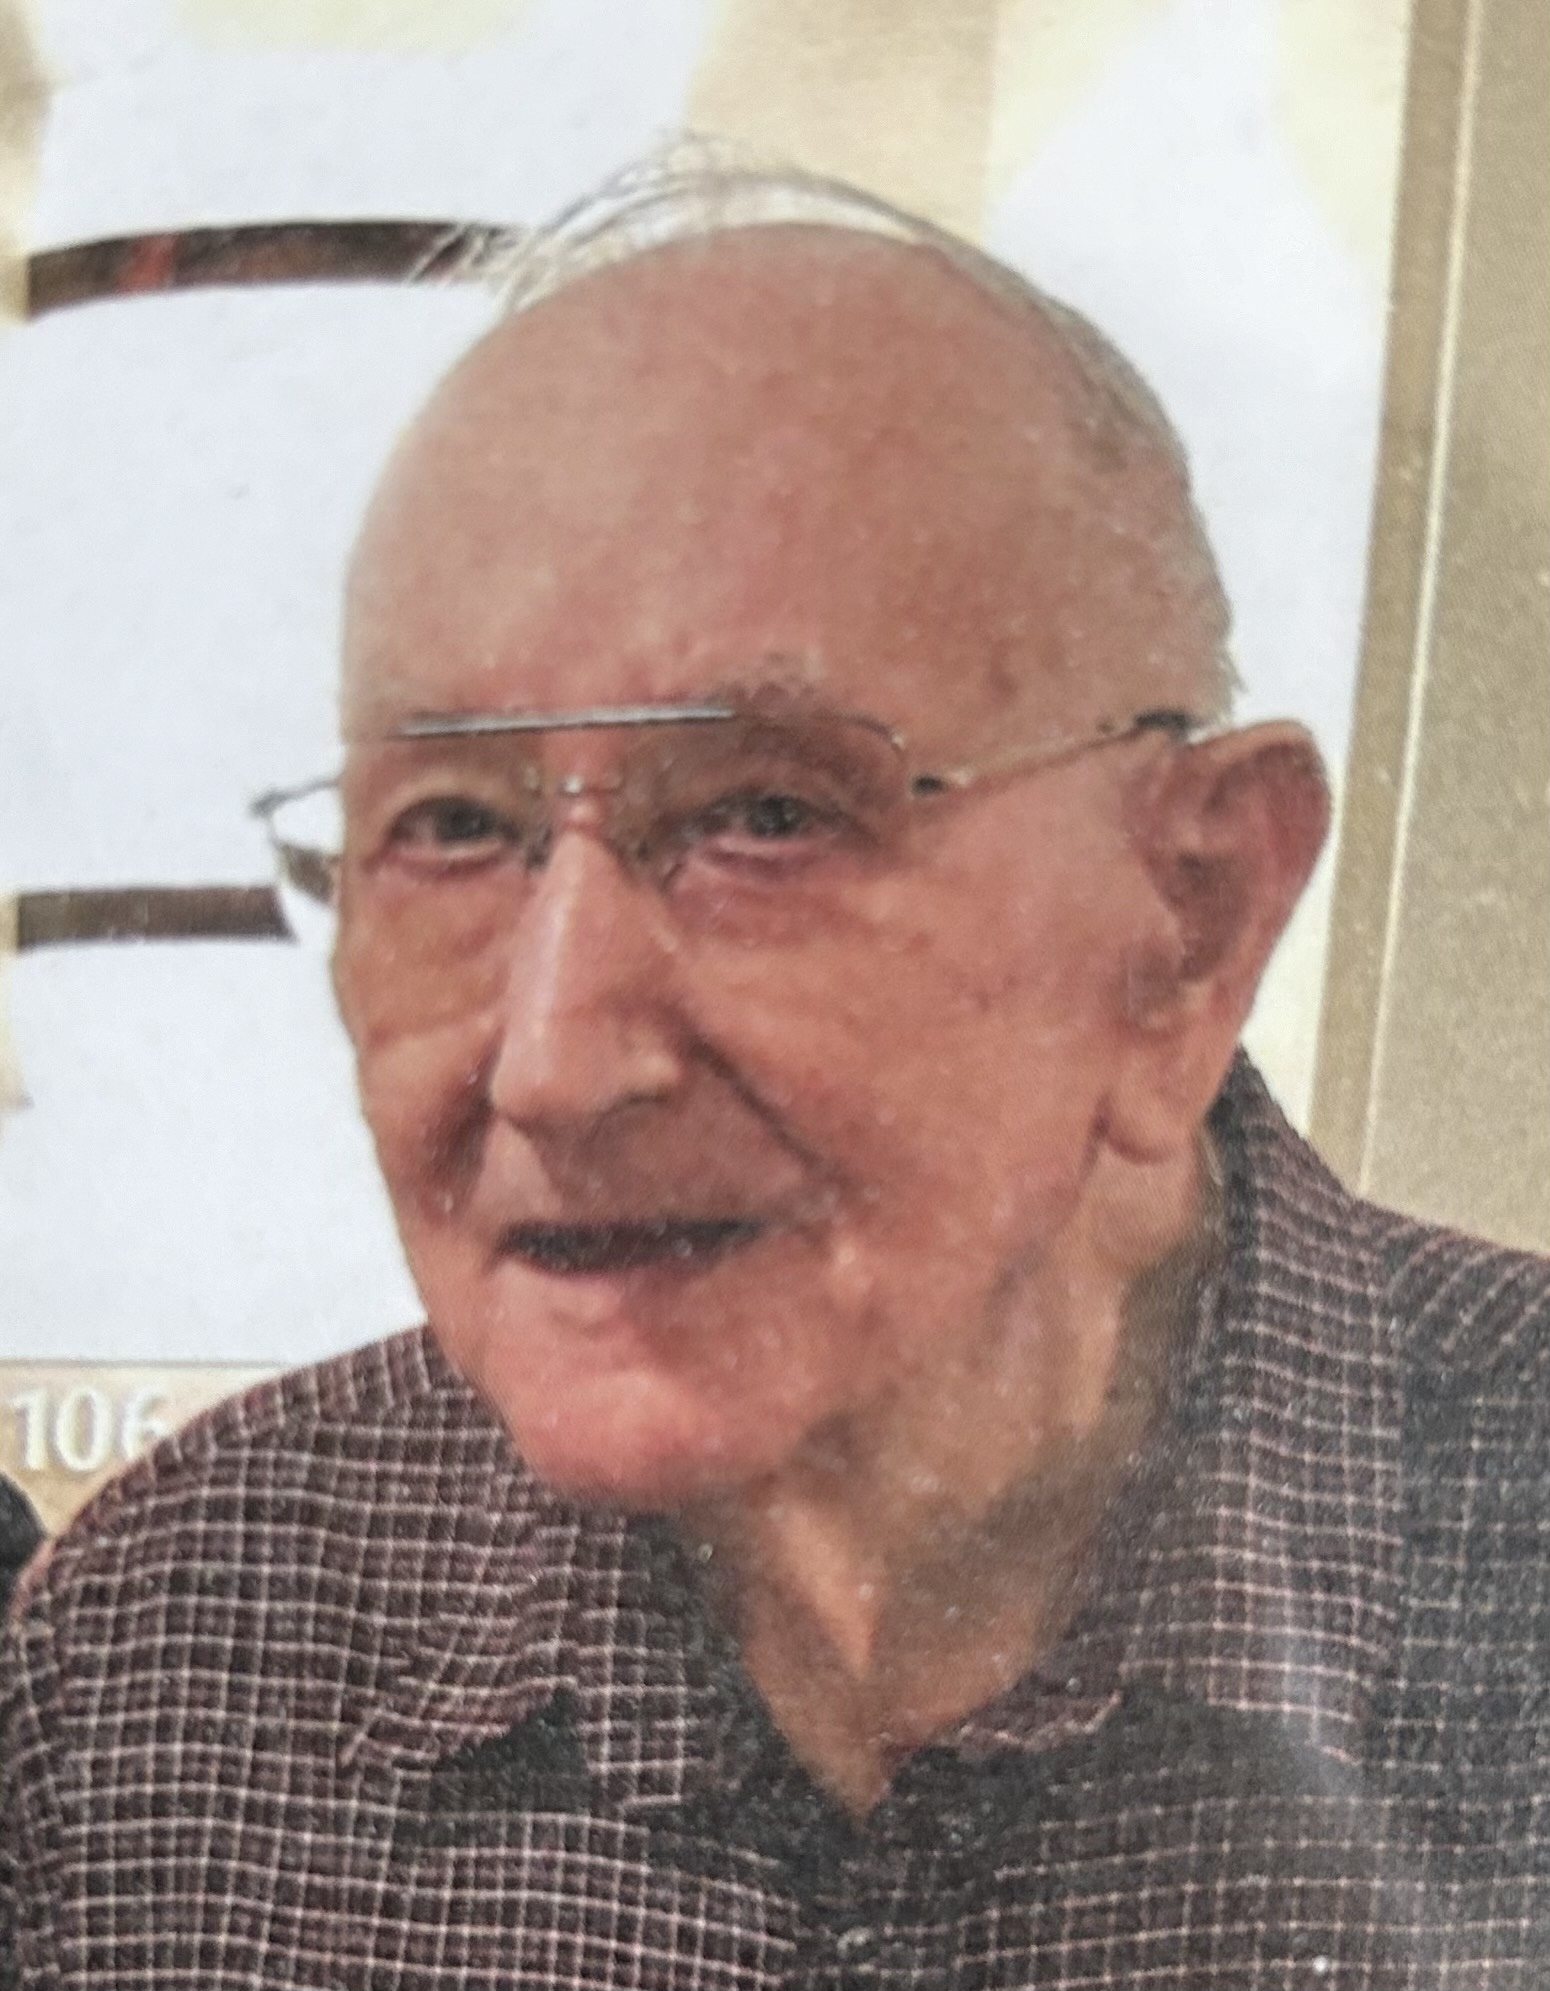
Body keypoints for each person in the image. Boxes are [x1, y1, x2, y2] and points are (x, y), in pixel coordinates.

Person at [4, 154, 1549, 1990]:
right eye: (452, 826)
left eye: (763, 814)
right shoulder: (168, 1662)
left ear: (1188, 920)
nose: (556, 1063)